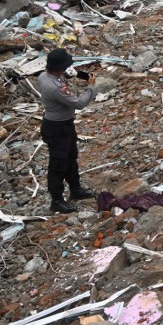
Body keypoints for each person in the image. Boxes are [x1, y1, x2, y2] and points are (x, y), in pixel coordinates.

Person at [38, 49, 97, 213]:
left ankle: (75, 189)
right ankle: (56, 200)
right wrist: (90, 88)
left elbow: (64, 76)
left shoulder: (45, 76)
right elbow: (78, 103)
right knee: (58, 164)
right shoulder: (54, 87)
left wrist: (78, 74)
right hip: (57, 129)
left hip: (63, 125)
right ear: (59, 67)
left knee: (71, 157)